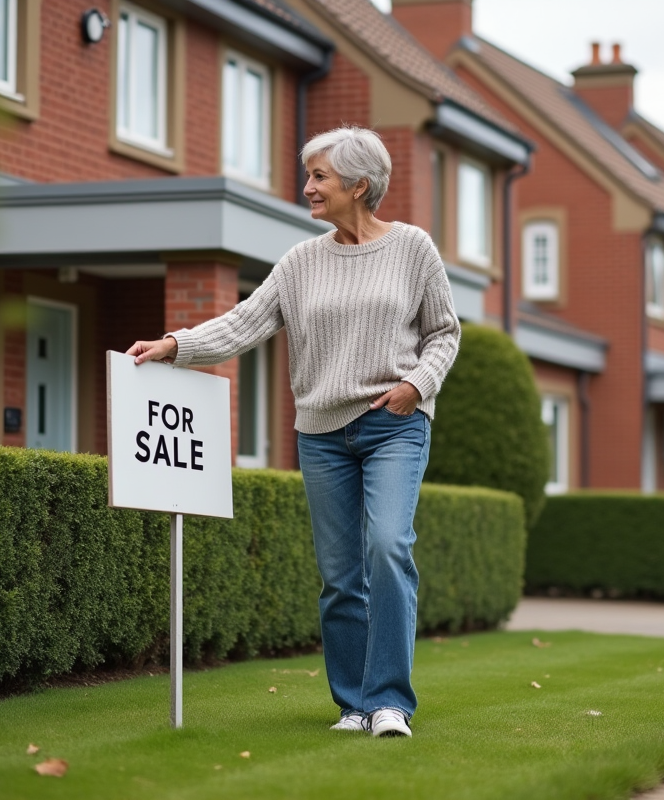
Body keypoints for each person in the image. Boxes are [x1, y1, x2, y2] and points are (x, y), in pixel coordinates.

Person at [126, 126, 460, 738]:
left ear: (360, 185)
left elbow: (445, 332)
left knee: (387, 547)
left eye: (319, 177)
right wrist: (175, 345)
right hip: (323, 435)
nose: (307, 187)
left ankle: (390, 701)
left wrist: (418, 384)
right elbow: (243, 323)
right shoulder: (300, 262)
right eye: (308, 175)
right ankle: (354, 705)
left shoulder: (413, 249)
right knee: (339, 577)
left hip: (393, 426)